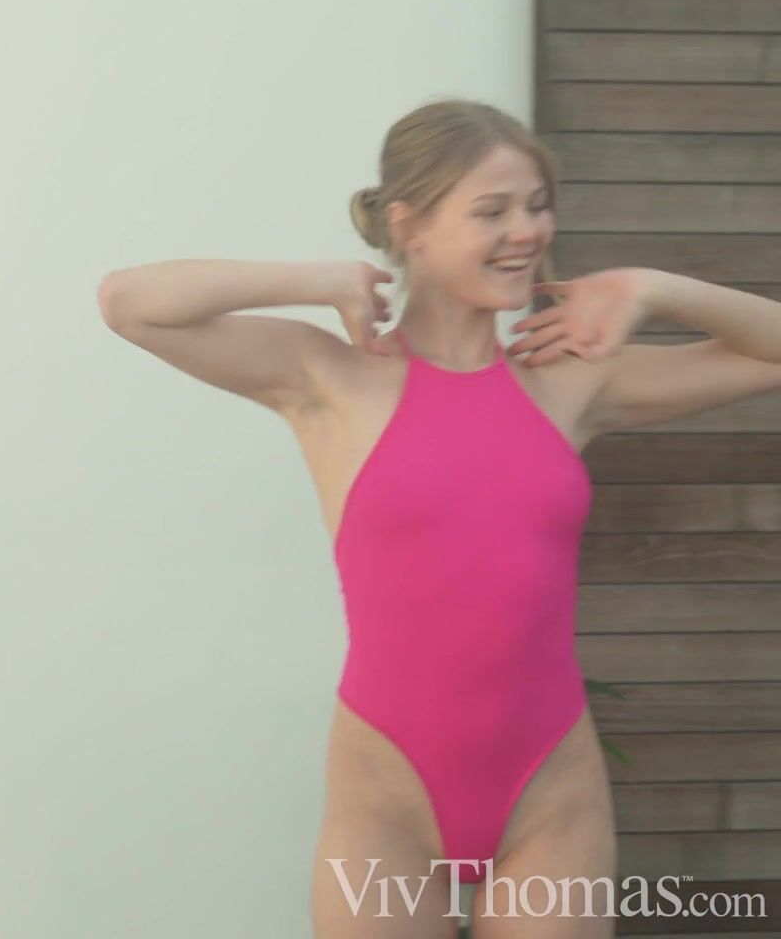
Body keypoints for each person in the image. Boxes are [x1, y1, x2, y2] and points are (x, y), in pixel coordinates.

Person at [98, 98, 781, 937]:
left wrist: (652, 287)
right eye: (492, 211)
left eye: (537, 205)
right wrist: (316, 282)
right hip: (384, 805)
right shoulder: (331, 379)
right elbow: (129, 302)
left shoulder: (569, 382)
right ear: (408, 225)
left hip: (551, 796)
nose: (525, 231)